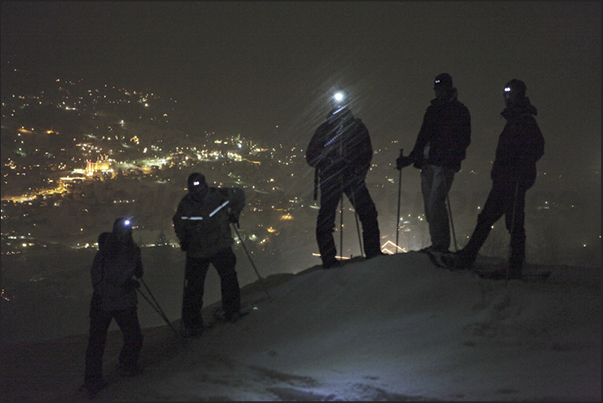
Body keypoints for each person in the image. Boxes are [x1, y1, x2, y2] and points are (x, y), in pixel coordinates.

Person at [451, 79, 545, 279]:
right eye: (506, 94)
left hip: (514, 180)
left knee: (512, 222)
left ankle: (513, 266)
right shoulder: (516, 120)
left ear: (518, 96)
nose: (506, 98)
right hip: (506, 180)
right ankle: (470, 257)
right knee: (488, 218)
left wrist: (519, 167)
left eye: (510, 94)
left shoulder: (525, 120)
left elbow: (537, 148)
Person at [306, 91, 383, 269]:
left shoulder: (327, 129)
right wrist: (356, 171)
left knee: (328, 218)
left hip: (338, 177)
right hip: (347, 178)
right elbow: (366, 153)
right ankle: (372, 254)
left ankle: (329, 260)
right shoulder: (354, 127)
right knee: (366, 213)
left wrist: (330, 162)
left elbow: (312, 156)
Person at [397, 73, 471, 253]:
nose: (438, 91)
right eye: (436, 88)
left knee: (435, 204)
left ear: (448, 88)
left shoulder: (458, 110)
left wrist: (450, 155)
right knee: (430, 206)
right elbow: (422, 137)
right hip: (429, 163)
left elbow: (464, 139)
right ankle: (438, 242)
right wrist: (411, 158)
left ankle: (440, 244)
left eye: (440, 88)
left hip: (444, 164)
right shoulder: (435, 110)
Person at [172, 172, 246, 337]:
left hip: (214, 247)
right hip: (201, 250)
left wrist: (235, 213)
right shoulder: (189, 204)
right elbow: (179, 223)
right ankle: (194, 323)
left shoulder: (217, 195)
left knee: (223, 280)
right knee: (196, 288)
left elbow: (240, 195)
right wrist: (183, 239)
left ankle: (229, 311)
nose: (197, 193)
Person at [83, 218, 144, 397]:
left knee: (103, 341)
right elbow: (99, 282)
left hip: (111, 302)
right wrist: (125, 286)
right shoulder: (107, 255)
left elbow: (99, 281)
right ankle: (121, 367)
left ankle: (98, 377)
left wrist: (134, 276)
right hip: (112, 302)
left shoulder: (121, 252)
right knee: (103, 341)